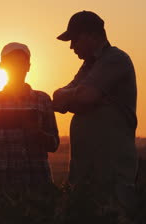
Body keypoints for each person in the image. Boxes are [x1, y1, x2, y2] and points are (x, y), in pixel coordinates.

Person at [53, 11, 138, 202]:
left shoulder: (115, 58)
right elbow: (57, 98)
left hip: (112, 173)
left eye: (74, 39)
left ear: (91, 35)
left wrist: (81, 97)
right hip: (86, 174)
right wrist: (82, 96)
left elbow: (86, 95)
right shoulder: (88, 66)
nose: (72, 46)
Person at [0, 42, 60, 191]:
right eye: (11, 62)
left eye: (21, 62)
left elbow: (54, 145)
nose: (17, 67)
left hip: (37, 182)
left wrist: (37, 133)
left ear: (28, 66)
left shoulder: (43, 100)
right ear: (2, 66)